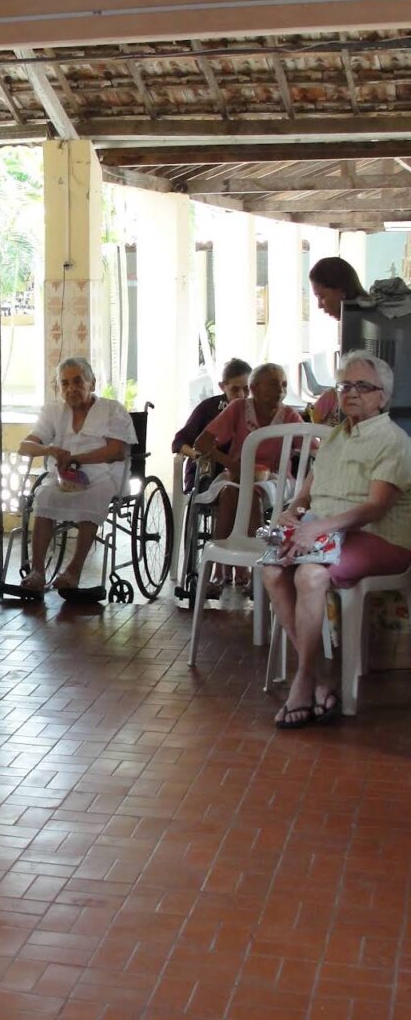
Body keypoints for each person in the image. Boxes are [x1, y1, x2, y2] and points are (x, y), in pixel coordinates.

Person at [263, 351, 411, 729]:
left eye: (363, 386)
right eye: (345, 385)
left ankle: (303, 680)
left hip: (378, 536)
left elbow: (376, 508)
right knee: (272, 570)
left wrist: (319, 527)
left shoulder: (393, 440)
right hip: (328, 529)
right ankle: (316, 677)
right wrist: (295, 510)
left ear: (383, 396)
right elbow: (310, 486)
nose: (351, 393)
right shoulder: (335, 436)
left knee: (309, 575)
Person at [17, 357, 136, 594]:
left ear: (92, 382)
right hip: (63, 477)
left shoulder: (112, 410)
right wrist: (48, 449)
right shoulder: (52, 412)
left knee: (92, 498)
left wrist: (77, 459)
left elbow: (117, 451)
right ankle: (37, 572)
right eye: (64, 384)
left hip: (103, 474)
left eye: (77, 381)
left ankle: (73, 571)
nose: (71, 388)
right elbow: (24, 446)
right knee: (44, 496)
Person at [193, 362, 303, 591]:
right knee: (230, 494)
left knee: (249, 495)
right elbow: (202, 443)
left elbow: (312, 445)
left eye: (284, 385)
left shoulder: (290, 415)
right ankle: (220, 569)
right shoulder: (238, 408)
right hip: (239, 475)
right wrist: (232, 464)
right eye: (273, 385)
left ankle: (255, 571)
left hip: (276, 477)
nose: (281, 391)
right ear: (254, 388)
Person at [172, 358, 251, 493]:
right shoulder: (209, 408)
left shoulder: (254, 411)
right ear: (222, 387)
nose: (241, 395)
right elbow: (180, 440)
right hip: (207, 471)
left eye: (246, 389)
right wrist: (195, 454)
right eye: (235, 390)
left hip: (243, 471)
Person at [307, 257, 369, 426]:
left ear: (341, 290)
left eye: (321, 296)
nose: (320, 305)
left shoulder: (364, 326)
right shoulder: (351, 323)